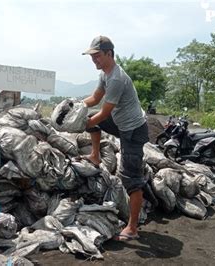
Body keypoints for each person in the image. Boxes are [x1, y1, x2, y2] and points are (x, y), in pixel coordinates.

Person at [82, 35, 149, 241]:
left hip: (133, 131)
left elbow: (103, 113)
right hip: (121, 124)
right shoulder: (105, 74)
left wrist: (83, 124)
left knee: (130, 180)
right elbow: (94, 99)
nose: (94, 60)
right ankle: (95, 155)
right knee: (86, 115)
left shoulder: (117, 78)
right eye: (92, 56)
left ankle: (133, 227)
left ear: (109, 54)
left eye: (97, 56)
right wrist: (74, 107)